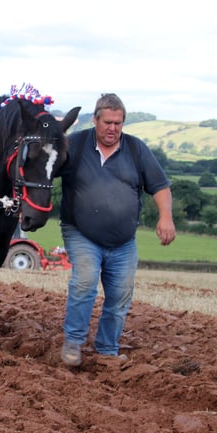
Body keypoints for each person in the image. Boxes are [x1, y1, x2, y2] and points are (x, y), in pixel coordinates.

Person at [58, 93, 176, 367]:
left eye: (118, 123)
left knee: (120, 295)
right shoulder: (74, 145)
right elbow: (41, 169)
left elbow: (159, 186)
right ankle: (73, 343)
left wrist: (166, 217)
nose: (113, 128)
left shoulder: (135, 149)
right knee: (85, 282)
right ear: (95, 120)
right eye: (108, 122)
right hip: (81, 231)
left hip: (123, 240)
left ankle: (106, 350)